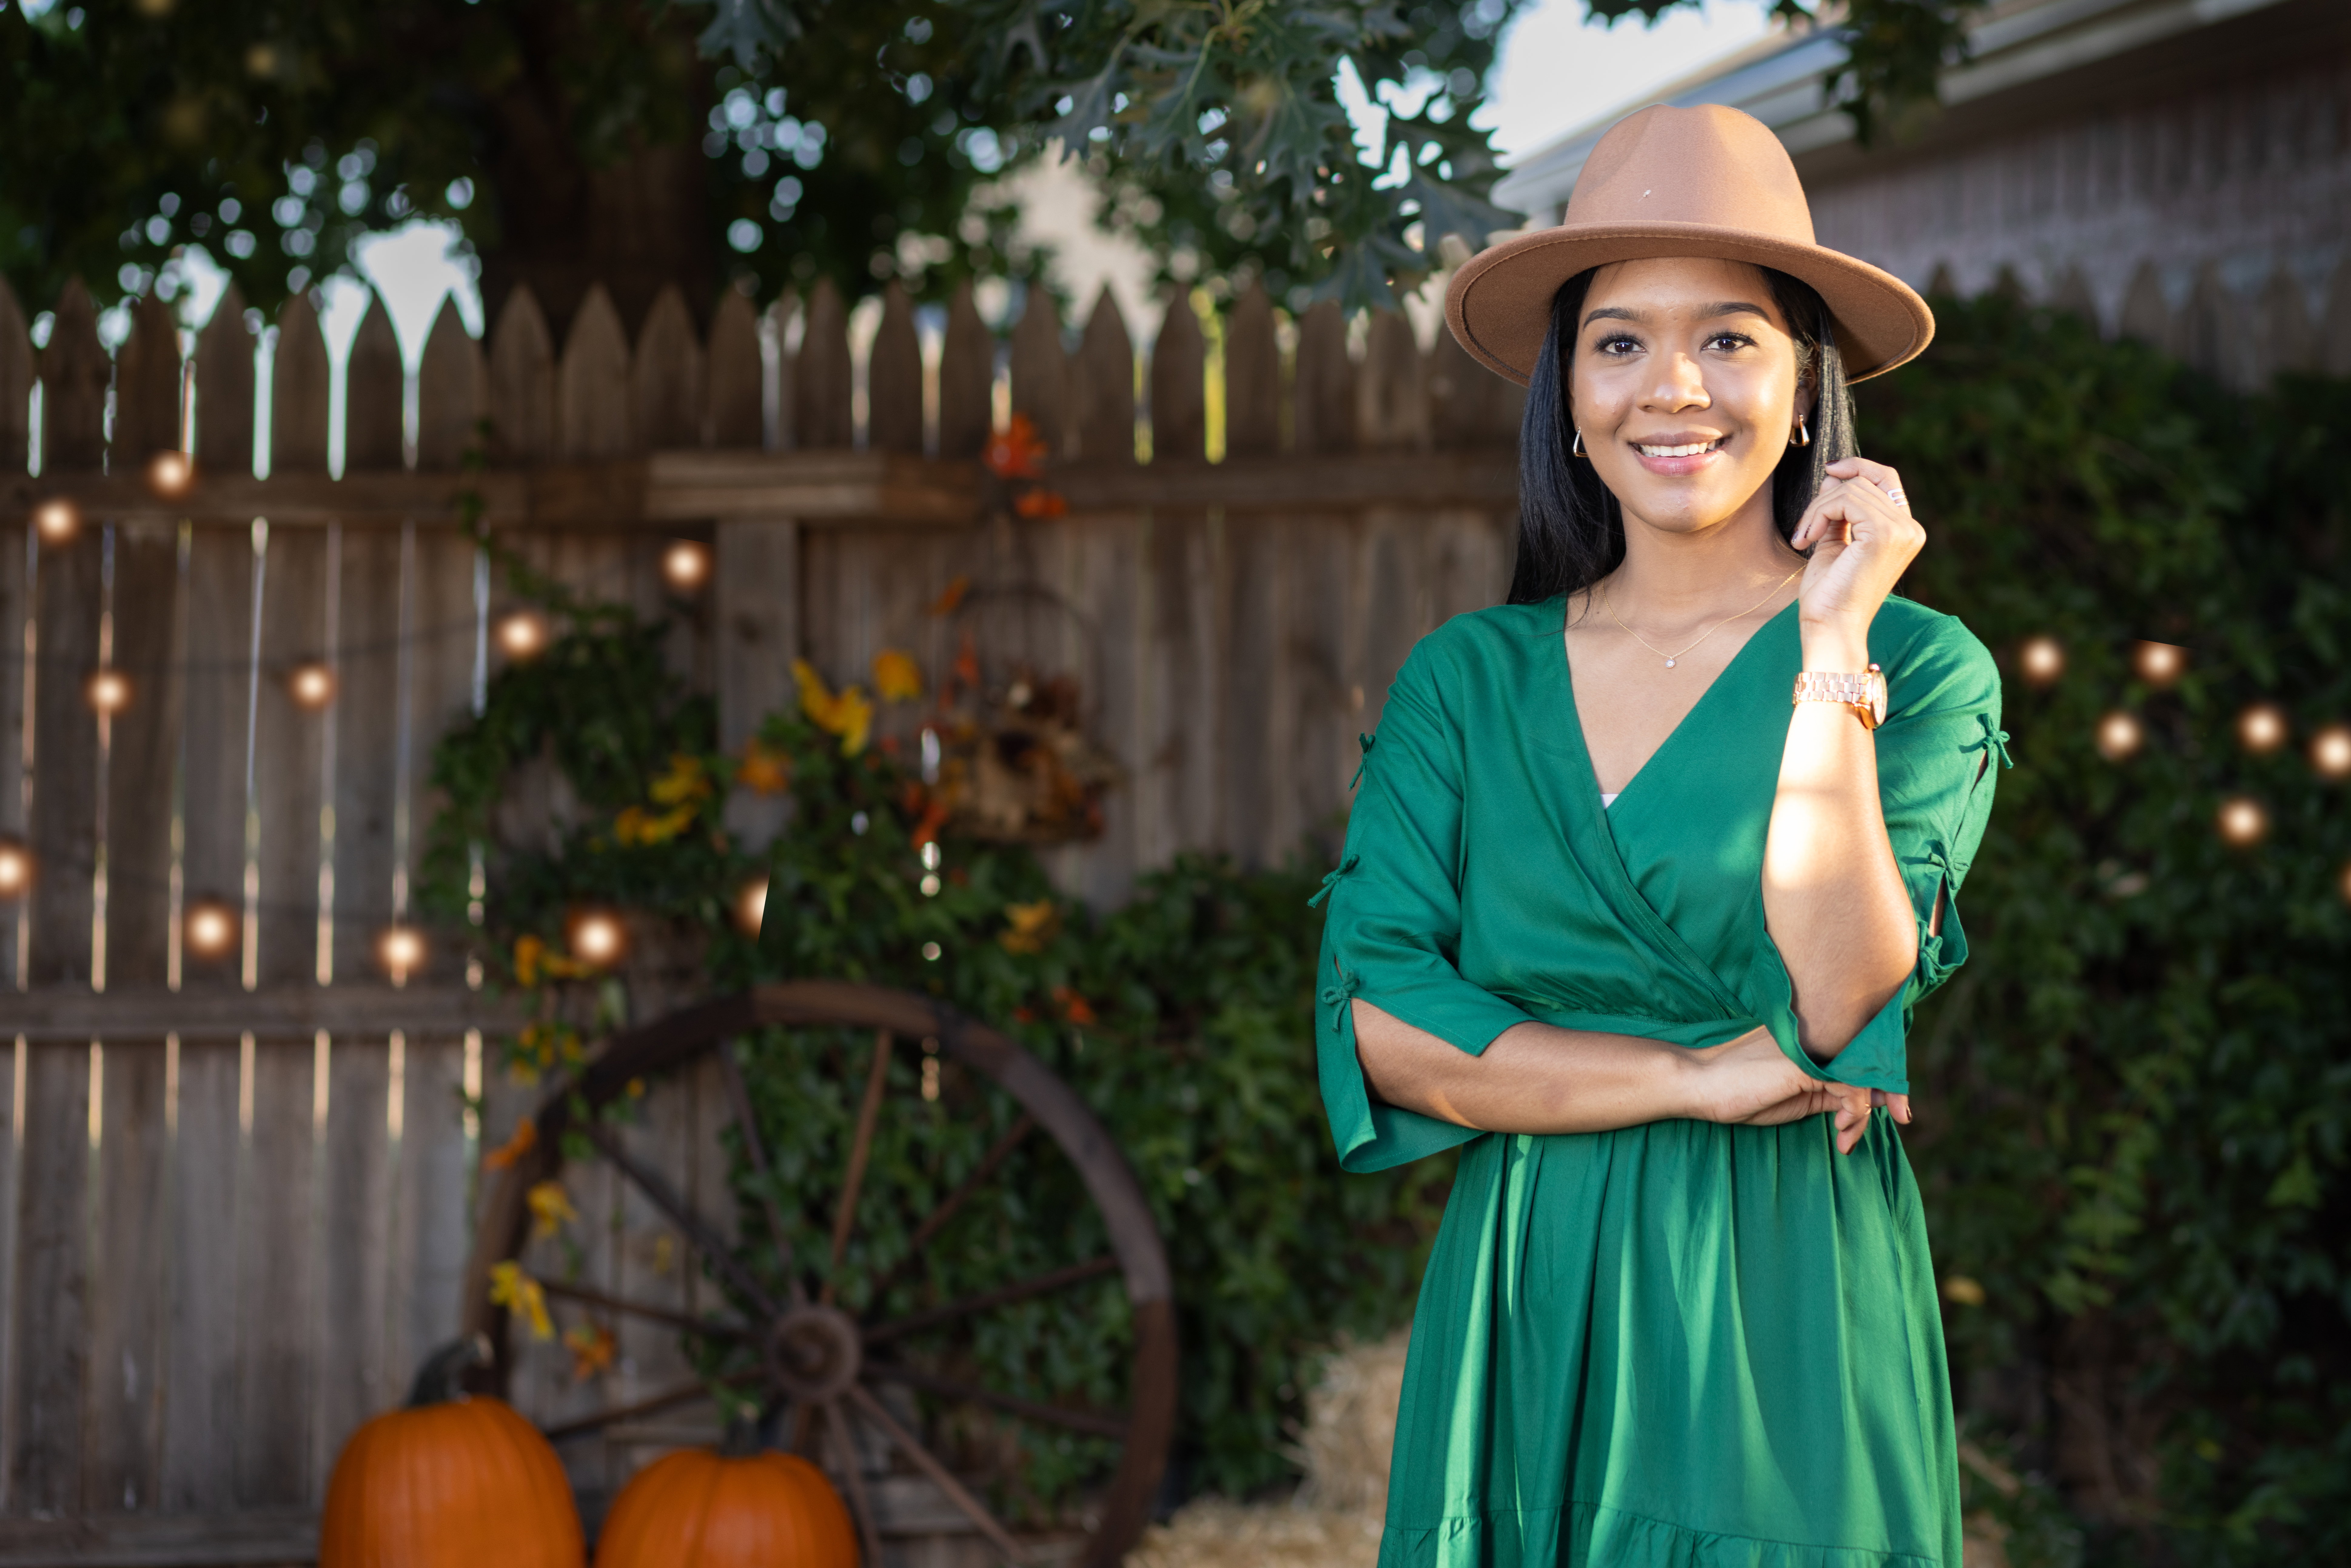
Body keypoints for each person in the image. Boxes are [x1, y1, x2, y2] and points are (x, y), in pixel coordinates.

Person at [1313, 104, 2006, 1567]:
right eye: (1618, 341)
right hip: (1530, 1293)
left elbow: (1838, 994)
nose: (1671, 387)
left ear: (1806, 383)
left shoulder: (1922, 668)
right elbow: (1385, 1025)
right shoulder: (1467, 682)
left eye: (1731, 339)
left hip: (1784, 1306)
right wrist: (1697, 1077)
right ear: (1565, 394)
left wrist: (1832, 650)